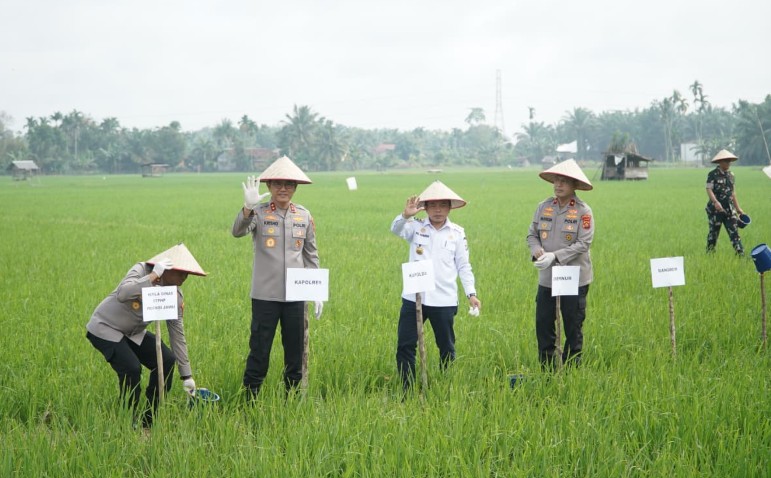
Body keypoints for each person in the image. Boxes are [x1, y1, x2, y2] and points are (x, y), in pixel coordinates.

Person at [86, 243, 207, 428]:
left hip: (132, 332)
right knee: (131, 368)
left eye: (188, 273)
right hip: (106, 327)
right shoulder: (141, 270)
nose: (185, 277)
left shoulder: (174, 295)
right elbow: (123, 293)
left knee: (166, 360)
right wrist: (152, 277)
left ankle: (150, 419)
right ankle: (126, 421)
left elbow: (177, 334)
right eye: (181, 272)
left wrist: (186, 375)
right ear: (168, 268)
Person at [232, 156, 322, 399]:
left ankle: (292, 400)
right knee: (259, 351)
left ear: (295, 188)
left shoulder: (303, 215)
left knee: (296, 352)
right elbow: (237, 231)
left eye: (289, 184)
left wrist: (316, 292)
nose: (283, 189)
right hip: (265, 296)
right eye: (278, 184)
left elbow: (310, 254)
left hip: (296, 295)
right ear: (269, 187)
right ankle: (249, 400)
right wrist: (247, 208)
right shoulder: (259, 214)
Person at [391, 180, 481, 391]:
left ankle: (445, 384)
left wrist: (471, 293)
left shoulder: (457, 233)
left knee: (446, 347)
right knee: (405, 345)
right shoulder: (415, 227)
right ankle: (408, 388)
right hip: (414, 298)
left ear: (450, 207)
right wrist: (405, 215)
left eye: (442, 205)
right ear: (426, 207)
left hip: (444, 299)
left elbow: (463, 265)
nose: (438, 210)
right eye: (432, 205)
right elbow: (395, 230)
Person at [526, 159, 594, 370]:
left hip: (574, 277)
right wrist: (537, 251)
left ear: (574, 185)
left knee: (573, 325)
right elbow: (532, 235)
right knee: (543, 324)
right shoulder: (543, 207)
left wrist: (554, 256)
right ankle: (548, 370)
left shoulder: (583, 211)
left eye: (564, 181)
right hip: (547, 278)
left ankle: (573, 370)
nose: (558, 185)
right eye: (556, 180)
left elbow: (584, 243)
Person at [705, 149, 746, 256]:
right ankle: (709, 255)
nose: (728, 163)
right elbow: (708, 189)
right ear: (720, 162)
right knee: (713, 234)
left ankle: (741, 255)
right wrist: (715, 202)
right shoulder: (712, 174)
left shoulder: (731, 175)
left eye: (729, 161)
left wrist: (738, 208)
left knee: (734, 233)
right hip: (715, 211)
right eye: (726, 161)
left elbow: (733, 193)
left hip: (729, 210)